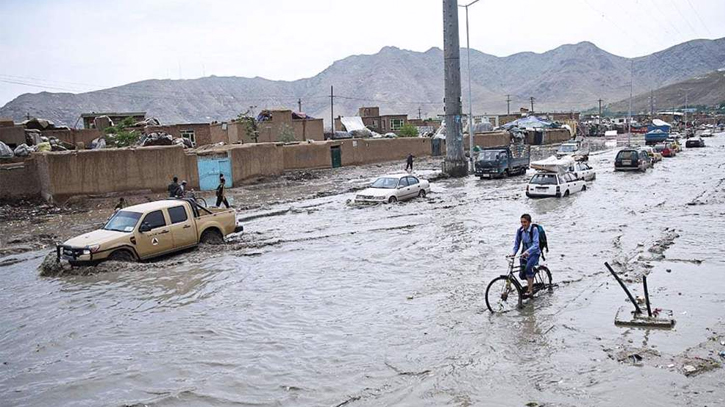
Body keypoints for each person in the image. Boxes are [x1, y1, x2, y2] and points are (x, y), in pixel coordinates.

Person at [509, 213, 540, 297]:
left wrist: (528, 252)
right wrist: (513, 254)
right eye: (522, 222)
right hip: (524, 254)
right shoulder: (520, 231)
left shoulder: (534, 230)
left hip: (534, 253)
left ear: (529, 222)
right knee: (521, 275)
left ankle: (530, 291)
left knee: (528, 268)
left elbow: (536, 245)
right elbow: (517, 245)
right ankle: (531, 281)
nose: (523, 224)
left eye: (525, 222)